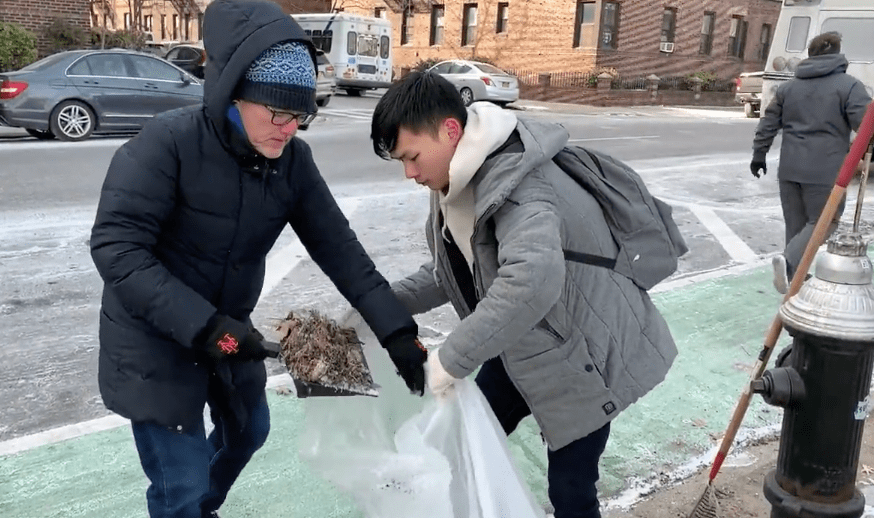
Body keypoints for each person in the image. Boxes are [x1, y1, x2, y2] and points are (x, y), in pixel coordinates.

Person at [89, 1, 426, 517]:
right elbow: (117, 249)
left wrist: (397, 332)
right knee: (180, 481)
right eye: (276, 112)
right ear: (233, 93)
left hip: (227, 332)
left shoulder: (292, 163)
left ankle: (203, 508)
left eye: (300, 115)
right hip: (154, 339)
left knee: (250, 431)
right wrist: (209, 328)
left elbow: (341, 251)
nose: (288, 128)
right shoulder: (168, 145)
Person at [370, 71, 678, 518]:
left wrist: (448, 360)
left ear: (450, 131)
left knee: (571, 489)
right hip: (522, 342)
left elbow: (531, 280)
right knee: (462, 438)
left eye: (413, 157)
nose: (410, 173)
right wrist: (378, 305)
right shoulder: (457, 176)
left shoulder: (517, 184)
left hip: (581, 352)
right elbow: (451, 273)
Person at [752, 31, 871, 294]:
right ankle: (788, 263)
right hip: (826, 169)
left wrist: (759, 154)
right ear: (838, 54)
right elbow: (865, 126)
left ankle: (793, 280)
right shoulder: (849, 86)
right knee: (824, 222)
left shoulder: (788, 88)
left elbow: (768, 123)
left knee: (796, 227)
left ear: (810, 55)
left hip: (790, 167)